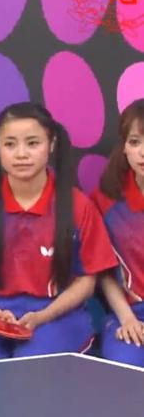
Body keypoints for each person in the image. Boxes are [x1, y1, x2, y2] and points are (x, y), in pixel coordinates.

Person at [0, 102, 117, 361]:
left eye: (33, 143)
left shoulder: (79, 206)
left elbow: (86, 281)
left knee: (33, 368)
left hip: (57, 315)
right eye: (10, 144)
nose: (21, 154)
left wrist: (44, 316)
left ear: (51, 144)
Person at [91, 100, 144, 366]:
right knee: (125, 367)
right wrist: (127, 319)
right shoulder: (105, 201)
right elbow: (104, 271)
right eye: (135, 142)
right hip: (131, 313)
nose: (142, 152)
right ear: (124, 147)